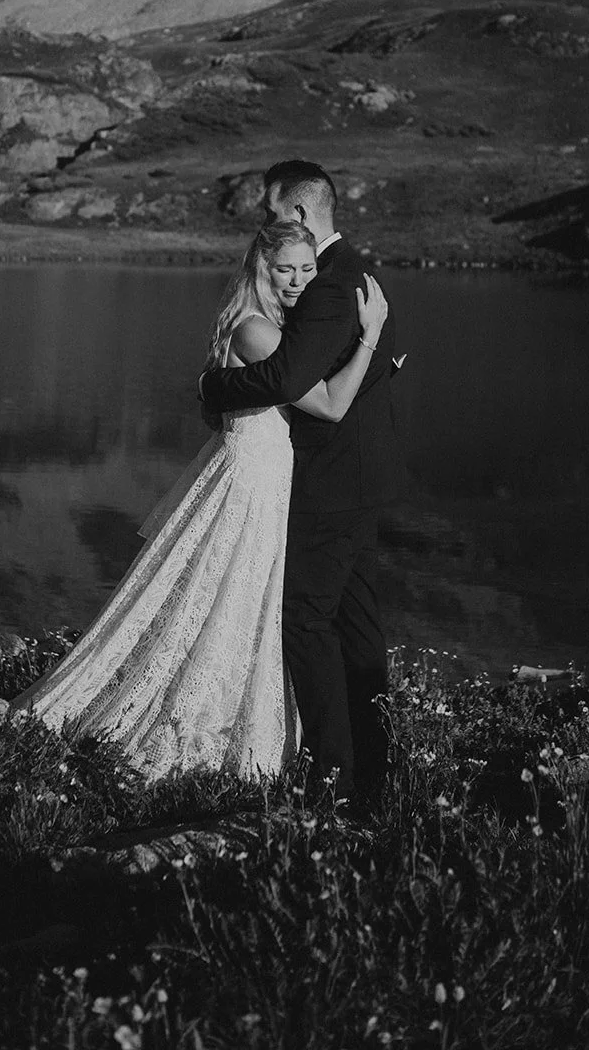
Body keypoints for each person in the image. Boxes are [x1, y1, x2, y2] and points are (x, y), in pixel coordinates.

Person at [10, 220, 389, 785]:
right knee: (225, 594)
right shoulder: (258, 332)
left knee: (240, 599)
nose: (297, 281)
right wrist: (369, 337)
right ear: (261, 268)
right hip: (252, 481)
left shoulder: (272, 327)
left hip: (265, 478)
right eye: (285, 269)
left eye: (308, 269)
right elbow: (331, 405)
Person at [200, 159, 405, 812]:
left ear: (297, 214)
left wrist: (215, 386)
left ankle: (333, 783)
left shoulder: (329, 285)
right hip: (360, 478)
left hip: (329, 483)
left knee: (306, 623)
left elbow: (290, 382)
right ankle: (374, 775)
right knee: (357, 628)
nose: (264, 223)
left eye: (270, 211)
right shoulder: (357, 273)